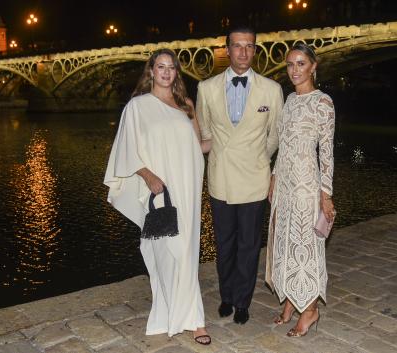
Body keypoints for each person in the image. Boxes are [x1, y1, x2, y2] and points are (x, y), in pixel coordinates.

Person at [103, 49, 211, 345]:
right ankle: (165, 310)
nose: (166, 72)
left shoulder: (186, 105)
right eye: (160, 67)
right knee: (164, 252)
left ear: (177, 72)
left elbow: (199, 146)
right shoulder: (137, 107)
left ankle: (195, 320)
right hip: (162, 190)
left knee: (188, 251)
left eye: (171, 67)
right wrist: (148, 176)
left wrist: (236, 137)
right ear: (151, 71)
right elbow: (126, 149)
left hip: (187, 187)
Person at [196, 26, 284, 324]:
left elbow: (275, 136)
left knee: (248, 245)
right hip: (221, 179)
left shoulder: (271, 90)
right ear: (228, 49)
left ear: (255, 50)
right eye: (237, 46)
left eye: (249, 46)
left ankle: (243, 301)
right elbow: (205, 131)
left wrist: (260, 157)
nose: (243, 52)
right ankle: (226, 296)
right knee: (224, 243)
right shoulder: (206, 88)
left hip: (255, 179)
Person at [266, 43, 336, 337]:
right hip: (284, 183)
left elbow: (327, 152)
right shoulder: (290, 101)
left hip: (307, 185)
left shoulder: (323, 103)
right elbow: (283, 145)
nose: (294, 70)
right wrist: (273, 177)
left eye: (300, 64)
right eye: (290, 64)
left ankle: (310, 310)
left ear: (313, 66)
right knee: (283, 243)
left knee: (305, 246)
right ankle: (292, 299)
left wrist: (326, 195)